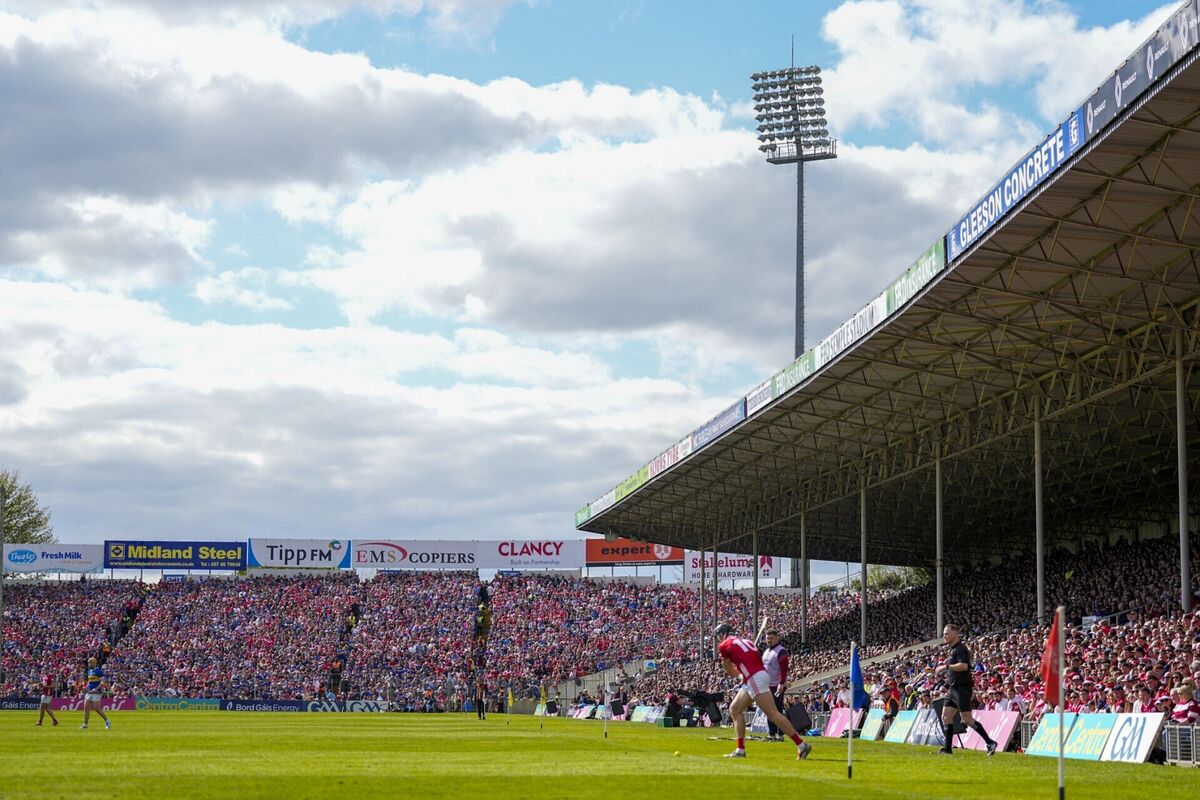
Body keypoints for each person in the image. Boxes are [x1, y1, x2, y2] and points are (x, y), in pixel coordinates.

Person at [712, 623, 811, 760]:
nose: (718, 640)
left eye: (718, 637)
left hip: (754, 679)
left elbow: (728, 669)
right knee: (734, 709)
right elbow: (755, 658)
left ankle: (801, 744)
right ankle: (740, 749)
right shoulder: (745, 641)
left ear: (722, 634)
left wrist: (741, 675)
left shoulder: (724, 645)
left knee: (773, 714)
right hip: (757, 677)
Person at [938, 624, 994, 755]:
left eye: (946, 633)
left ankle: (990, 742)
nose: (944, 636)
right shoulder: (953, 650)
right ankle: (947, 749)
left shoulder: (961, 649)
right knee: (946, 717)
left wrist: (947, 667)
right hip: (953, 688)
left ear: (955, 634)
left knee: (967, 719)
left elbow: (964, 666)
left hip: (962, 689)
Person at [760, 629, 790, 741]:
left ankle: (780, 734)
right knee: (768, 710)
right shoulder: (766, 651)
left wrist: (782, 683)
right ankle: (771, 733)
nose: (769, 640)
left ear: (777, 638)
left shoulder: (781, 651)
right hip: (767, 685)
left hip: (777, 685)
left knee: (777, 709)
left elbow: (784, 669)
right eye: (767, 638)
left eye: (771, 638)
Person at [81, 657, 111, 730]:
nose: (89, 664)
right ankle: (85, 724)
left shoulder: (98, 671)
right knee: (86, 707)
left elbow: (102, 682)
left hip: (96, 692)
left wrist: (96, 689)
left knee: (96, 708)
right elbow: (90, 682)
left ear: (94, 663)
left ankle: (107, 721)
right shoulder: (89, 671)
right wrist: (86, 688)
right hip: (89, 691)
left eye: (90, 662)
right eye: (88, 662)